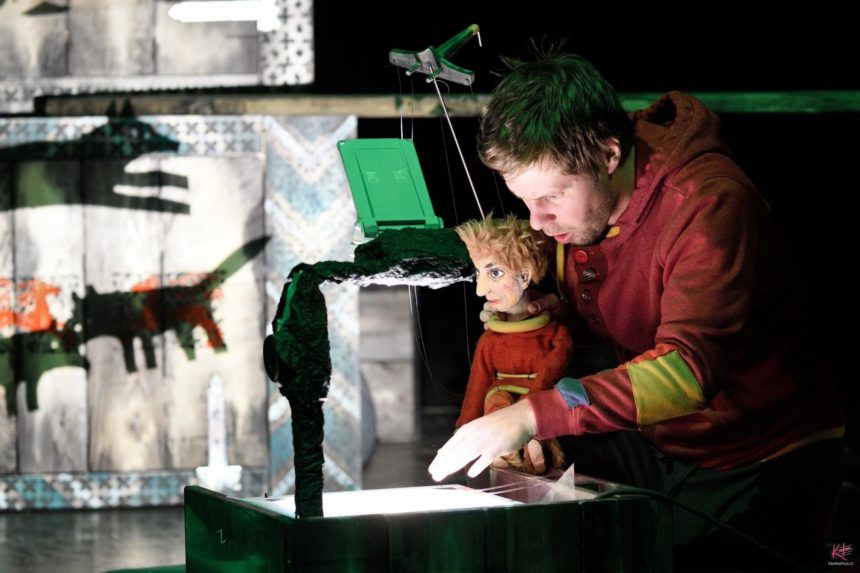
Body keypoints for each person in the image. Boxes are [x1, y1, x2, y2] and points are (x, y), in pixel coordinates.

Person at [429, 46, 845, 570]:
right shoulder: (584, 208)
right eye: (525, 200)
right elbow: (607, 307)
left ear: (608, 155)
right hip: (659, 440)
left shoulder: (709, 204)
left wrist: (534, 414)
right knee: (518, 486)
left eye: (551, 197)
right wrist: (544, 325)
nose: (536, 221)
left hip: (762, 452)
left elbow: (687, 373)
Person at [454, 215, 573, 474]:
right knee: (497, 401)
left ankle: (534, 453)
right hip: (498, 409)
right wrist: (465, 429)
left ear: (524, 275)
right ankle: (502, 453)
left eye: (495, 273)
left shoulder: (556, 334)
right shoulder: (490, 340)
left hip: (542, 414)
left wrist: (531, 410)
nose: (480, 290)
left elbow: (551, 376)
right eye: (478, 274)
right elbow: (477, 386)